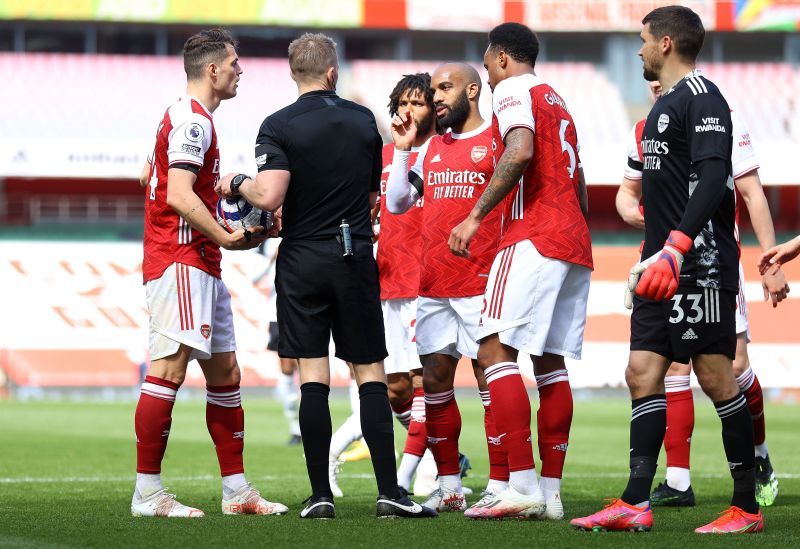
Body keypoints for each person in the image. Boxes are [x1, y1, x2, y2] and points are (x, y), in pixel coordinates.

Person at [216, 32, 435, 520]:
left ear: (294, 74)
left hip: (301, 259)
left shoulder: (276, 125)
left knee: (313, 377)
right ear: (332, 73)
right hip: (354, 254)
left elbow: (269, 197)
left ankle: (320, 496)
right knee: (371, 375)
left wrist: (235, 183)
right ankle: (389, 493)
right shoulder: (362, 122)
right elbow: (375, 196)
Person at [572, 6, 764, 534]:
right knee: (641, 373)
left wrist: (677, 247)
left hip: (698, 262)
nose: (637, 49)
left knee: (714, 375)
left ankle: (746, 508)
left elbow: (711, 180)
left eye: (642, 40)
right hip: (660, 264)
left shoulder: (704, 98)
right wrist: (654, 252)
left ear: (665, 43)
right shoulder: (664, 105)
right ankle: (636, 501)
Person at [133, 28, 287, 518]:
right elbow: (177, 194)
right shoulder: (193, 123)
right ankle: (148, 493)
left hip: (201, 261)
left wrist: (232, 226)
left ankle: (237, 491)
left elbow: (152, 176)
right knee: (169, 369)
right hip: (180, 260)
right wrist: (225, 235)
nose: (241, 70)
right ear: (213, 69)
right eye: (235, 63)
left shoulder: (190, 120)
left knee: (225, 373)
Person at [617, 81, 788, 508]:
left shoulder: (722, 118)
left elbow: (751, 192)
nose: (653, 82)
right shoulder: (644, 128)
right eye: (648, 81)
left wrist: (772, 264)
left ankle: (758, 456)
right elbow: (626, 193)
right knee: (663, 369)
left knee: (731, 369)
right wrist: (643, 218)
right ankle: (676, 481)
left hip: (710, 262)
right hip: (662, 266)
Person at [448, 23, 592, 520]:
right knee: (551, 363)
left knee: (493, 351)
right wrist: (575, 232)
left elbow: (521, 149)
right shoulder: (558, 98)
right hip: (574, 237)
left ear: (503, 57)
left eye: (487, 59)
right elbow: (580, 180)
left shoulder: (511, 89)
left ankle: (523, 485)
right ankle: (550, 495)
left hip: (534, 234)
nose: (486, 70)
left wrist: (474, 216)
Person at [387, 63, 510, 513]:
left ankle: (501, 482)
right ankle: (450, 483)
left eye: (445, 88)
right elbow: (399, 202)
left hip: (483, 282)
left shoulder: (498, 140)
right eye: (433, 89)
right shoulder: (431, 148)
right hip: (434, 285)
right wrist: (402, 150)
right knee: (435, 383)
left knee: (490, 382)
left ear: (472, 90)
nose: (436, 96)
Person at [330, 73, 440, 498]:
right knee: (394, 389)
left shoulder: (442, 155)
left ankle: (428, 473)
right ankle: (434, 460)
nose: (410, 110)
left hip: (424, 281)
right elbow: (375, 209)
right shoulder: (385, 156)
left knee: (422, 383)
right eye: (403, 103)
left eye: (419, 102)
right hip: (386, 280)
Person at [255, 239, 302, 446]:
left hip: (303, 308)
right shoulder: (270, 241)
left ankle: (309, 426)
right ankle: (295, 428)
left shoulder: (302, 230)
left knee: (308, 365)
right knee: (287, 367)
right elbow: (255, 278)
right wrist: (272, 259)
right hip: (277, 312)